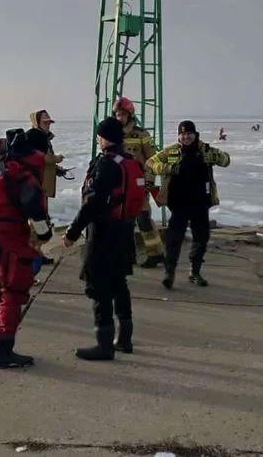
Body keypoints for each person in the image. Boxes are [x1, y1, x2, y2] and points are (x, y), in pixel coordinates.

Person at [0, 129, 53, 369]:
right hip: (6, 233)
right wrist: (44, 232)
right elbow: (32, 204)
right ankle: (3, 352)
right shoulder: (27, 164)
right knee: (13, 290)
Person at [64, 117, 142, 360]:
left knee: (99, 287)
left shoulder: (107, 164)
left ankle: (104, 345)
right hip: (124, 230)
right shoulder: (128, 160)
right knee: (119, 283)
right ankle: (125, 339)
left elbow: (92, 203)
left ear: (103, 137)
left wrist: (73, 232)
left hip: (104, 233)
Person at [147, 120, 231, 289]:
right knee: (173, 240)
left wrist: (215, 157)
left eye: (189, 134)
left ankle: (195, 272)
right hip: (178, 204)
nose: (186, 137)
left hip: (200, 203)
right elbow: (150, 163)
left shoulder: (205, 150)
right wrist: (168, 168)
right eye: (182, 134)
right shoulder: (171, 151)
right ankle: (169, 273)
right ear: (179, 136)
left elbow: (226, 160)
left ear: (195, 134)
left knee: (201, 238)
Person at [111, 96, 165, 269]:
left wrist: (149, 181)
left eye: (122, 114)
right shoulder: (111, 134)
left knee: (143, 219)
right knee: (120, 222)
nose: (120, 117)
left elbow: (152, 159)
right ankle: (125, 256)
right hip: (118, 185)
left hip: (138, 184)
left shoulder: (142, 134)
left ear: (130, 114)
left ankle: (156, 254)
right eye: (117, 114)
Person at [26, 110, 72, 263]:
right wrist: (55, 159)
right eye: (45, 122)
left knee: (40, 219)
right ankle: (34, 253)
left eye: (49, 122)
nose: (48, 125)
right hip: (36, 185)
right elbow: (38, 158)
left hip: (42, 185)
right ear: (36, 122)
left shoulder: (43, 138)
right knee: (39, 220)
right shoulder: (34, 136)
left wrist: (57, 170)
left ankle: (36, 252)